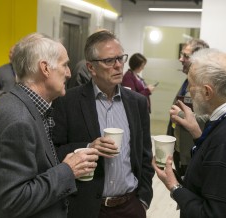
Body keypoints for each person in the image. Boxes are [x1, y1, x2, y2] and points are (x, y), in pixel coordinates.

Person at [0, 33, 99, 218]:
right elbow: (12, 202)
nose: (69, 73)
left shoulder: (15, 105)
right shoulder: (18, 120)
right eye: (64, 65)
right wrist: (67, 170)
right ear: (45, 68)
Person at [52, 30, 154, 218]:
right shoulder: (68, 102)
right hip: (87, 208)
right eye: (109, 61)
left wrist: (143, 200)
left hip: (130, 206)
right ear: (91, 68)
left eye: (120, 58)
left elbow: (145, 155)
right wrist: (88, 147)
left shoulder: (137, 102)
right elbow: (53, 151)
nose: (118, 66)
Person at [153, 48, 226, 217]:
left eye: (190, 85)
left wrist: (174, 186)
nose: (188, 90)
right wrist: (197, 133)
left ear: (207, 92)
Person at [167, 39, 210, 177]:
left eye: (185, 56)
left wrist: (180, 115)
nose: (180, 59)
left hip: (195, 153)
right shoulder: (188, 81)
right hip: (181, 151)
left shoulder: (207, 85)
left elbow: (212, 119)